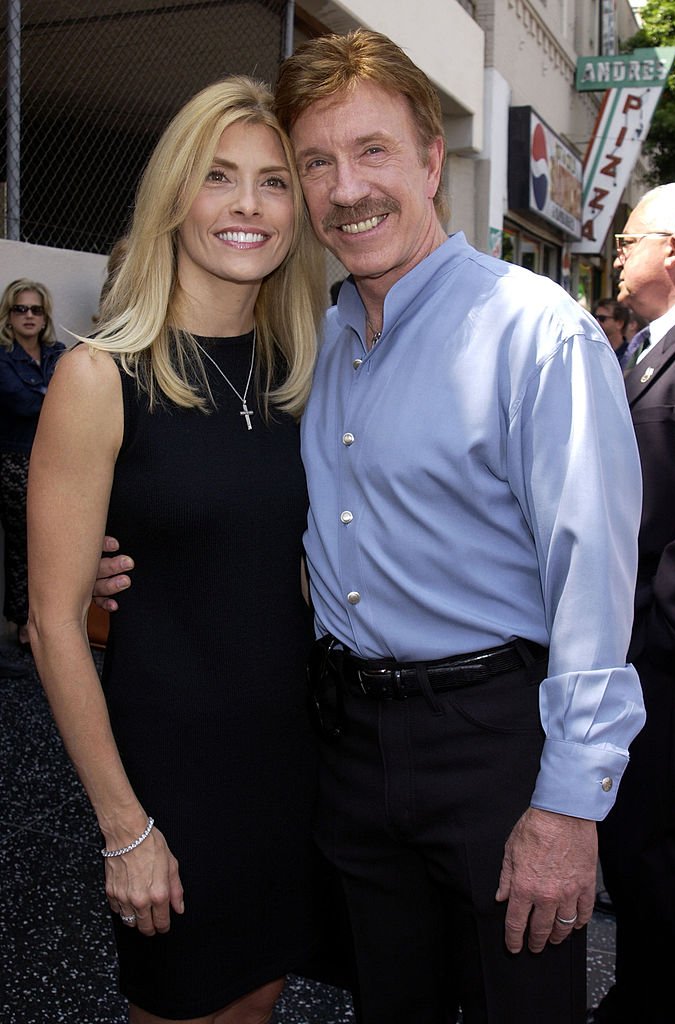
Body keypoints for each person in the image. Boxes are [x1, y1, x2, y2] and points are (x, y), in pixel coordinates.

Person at [94, 30, 646, 1024]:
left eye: (372, 151)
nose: (345, 187)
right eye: (317, 162)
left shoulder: (536, 331)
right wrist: (136, 561)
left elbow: (593, 586)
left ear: (432, 158)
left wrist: (567, 807)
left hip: (492, 747)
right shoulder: (321, 335)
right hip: (344, 748)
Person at [27, 76, 328, 1024]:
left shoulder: (307, 374)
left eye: (274, 182)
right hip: (172, 776)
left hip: (291, 766)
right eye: (217, 177)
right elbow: (52, 622)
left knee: (260, 1001)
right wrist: (125, 828)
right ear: (172, 200)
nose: (248, 205)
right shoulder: (97, 377)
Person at [593, 181, 675, 1024]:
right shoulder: (648, 348)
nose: (618, 252)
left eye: (632, 238)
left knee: (660, 855)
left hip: (662, 661)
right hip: (636, 650)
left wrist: (665, 645)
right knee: (635, 849)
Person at [0, 279, 64, 648]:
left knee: (55, 542)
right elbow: (23, 404)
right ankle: (26, 623)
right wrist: (55, 397)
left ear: (45, 317)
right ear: (8, 316)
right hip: (16, 461)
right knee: (26, 543)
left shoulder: (57, 353)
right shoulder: (3, 356)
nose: (28, 316)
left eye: (35, 310)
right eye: (20, 309)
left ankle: (55, 620)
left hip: (57, 460)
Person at [592, 297, 630, 366]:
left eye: (602, 318)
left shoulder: (630, 355)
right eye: (594, 318)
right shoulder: (592, 352)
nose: (597, 322)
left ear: (619, 323)